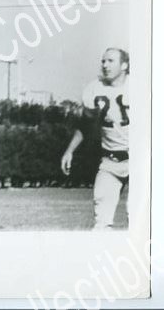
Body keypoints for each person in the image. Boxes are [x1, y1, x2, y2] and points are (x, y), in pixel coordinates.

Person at [61, 48, 130, 229]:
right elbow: (85, 124)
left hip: (140, 160)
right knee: (101, 223)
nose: (105, 65)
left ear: (124, 65)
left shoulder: (139, 86)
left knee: (140, 218)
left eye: (110, 61)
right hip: (110, 161)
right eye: (103, 61)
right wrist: (69, 151)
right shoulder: (94, 88)